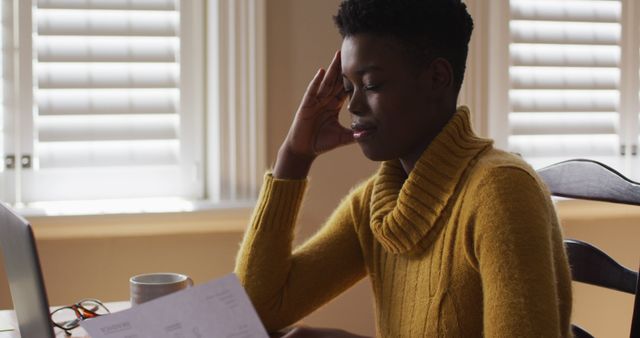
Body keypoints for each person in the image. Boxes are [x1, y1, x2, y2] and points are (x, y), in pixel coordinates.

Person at [235, 0, 573, 337]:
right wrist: (294, 156)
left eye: (371, 85)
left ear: (437, 78)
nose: (352, 105)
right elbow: (255, 309)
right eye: (348, 88)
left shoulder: (501, 192)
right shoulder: (377, 204)